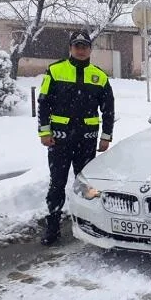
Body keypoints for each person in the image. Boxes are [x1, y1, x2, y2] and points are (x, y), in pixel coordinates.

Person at [37, 30, 115, 245]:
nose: (81, 50)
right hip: (59, 140)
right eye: (77, 46)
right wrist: (44, 132)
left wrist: (105, 137)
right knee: (57, 184)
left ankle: (88, 226)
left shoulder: (99, 76)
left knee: (87, 187)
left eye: (85, 46)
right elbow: (43, 104)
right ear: (70, 48)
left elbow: (108, 109)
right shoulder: (55, 70)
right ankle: (52, 228)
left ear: (90, 49)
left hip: (87, 140)